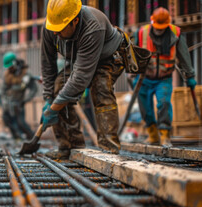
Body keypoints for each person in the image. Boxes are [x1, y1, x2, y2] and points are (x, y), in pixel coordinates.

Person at [40, 0, 127, 159]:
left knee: (101, 88)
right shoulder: (51, 27)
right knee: (58, 87)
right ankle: (70, 146)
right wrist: (48, 98)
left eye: (59, 30)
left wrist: (54, 108)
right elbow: (47, 64)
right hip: (79, 60)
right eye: (53, 29)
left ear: (75, 21)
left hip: (107, 57)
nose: (55, 33)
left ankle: (109, 149)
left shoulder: (93, 25)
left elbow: (80, 78)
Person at [133, 7, 196, 147]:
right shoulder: (141, 33)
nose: (160, 30)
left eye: (162, 28)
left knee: (164, 103)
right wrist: (132, 74)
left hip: (164, 78)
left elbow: (184, 56)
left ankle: (165, 135)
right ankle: (153, 135)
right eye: (157, 27)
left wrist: (190, 75)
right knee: (145, 108)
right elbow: (132, 55)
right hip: (144, 78)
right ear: (152, 22)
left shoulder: (175, 33)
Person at [1, 52, 38, 140]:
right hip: (10, 101)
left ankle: (32, 138)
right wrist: (5, 100)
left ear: (15, 63)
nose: (9, 69)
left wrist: (26, 100)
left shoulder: (25, 74)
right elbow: (3, 89)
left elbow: (34, 89)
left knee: (21, 122)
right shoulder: (7, 74)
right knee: (6, 119)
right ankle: (16, 137)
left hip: (20, 102)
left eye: (11, 67)